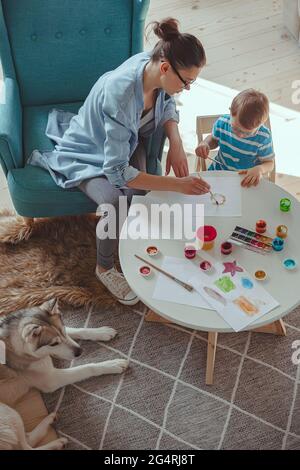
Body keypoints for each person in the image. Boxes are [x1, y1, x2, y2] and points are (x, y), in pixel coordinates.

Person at [28, 18, 210, 306]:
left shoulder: (153, 65)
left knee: (139, 195)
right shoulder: (122, 94)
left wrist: (175, 141)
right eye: (186, 82)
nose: (187, 88)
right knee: (114, 201)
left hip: (124, 143)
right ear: (165, 68)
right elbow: (117, 172)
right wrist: (177, 185)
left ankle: (131, 246)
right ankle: (104, 267)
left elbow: (169, 102)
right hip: (90, 151)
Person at [195, 89, 275, 187]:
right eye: (236, 129)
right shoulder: (222, 123)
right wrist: (205, 144)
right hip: (219, 171)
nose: (240, 135)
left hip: (245, 178)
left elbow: (269, 163)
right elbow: (213, 140)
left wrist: (260, 169)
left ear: (260, 124)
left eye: (247, 133)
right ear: (231, 112)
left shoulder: (263, 137)